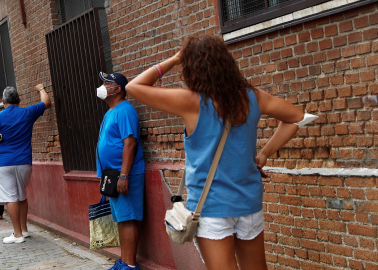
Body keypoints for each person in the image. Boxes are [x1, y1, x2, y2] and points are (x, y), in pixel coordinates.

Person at [126, 35, 317, 270]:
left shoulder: (191, 102)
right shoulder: (253, 98)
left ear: (192, 68)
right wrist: (265, 154)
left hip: (210, 208)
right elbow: (299, 118)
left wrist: (175, 59)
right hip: (248, 202)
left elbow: (133, 87)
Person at [0, 84, 50, 244]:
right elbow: (46, 102)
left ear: (3, 101)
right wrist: (41, 89)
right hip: (24, 163)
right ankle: (24, 229)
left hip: (3, 163)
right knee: (21, 195)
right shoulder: (28, 112)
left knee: (10, 198)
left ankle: (17, 234)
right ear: (19, 100)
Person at [96, 72, 145, 270]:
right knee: (121, 219)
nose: (102, 86)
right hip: (113, 175)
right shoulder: (111, 111)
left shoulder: (125, 110)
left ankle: (131, 265)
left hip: (125, 174)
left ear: (117, 89)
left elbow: (130, 143)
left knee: (129, 218)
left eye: (107, 83)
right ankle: (124, 262)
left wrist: (124, 175)